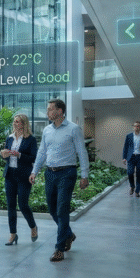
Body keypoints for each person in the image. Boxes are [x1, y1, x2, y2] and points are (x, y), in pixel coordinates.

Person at [31, 99, 90, 262]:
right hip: (50, 173)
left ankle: (59, 248)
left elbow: (82, 152)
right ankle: (68, 234)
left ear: (60, 111)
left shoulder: (73, 129)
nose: (47, 112)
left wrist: (84, 175)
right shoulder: (47, 130)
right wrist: (34, 171)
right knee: (52, 209)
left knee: (62, 209)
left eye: (50, 109)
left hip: (67, 173)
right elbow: (42, 152)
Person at [0, 113, 38, 245]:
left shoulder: (30, 139)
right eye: (15, 122)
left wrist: (19, 154)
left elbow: (33, 158)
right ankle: (13, 234)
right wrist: (3, 154)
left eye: (18, 122)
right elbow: (6, 156)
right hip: (10, 175)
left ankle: (33, 227)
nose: (16, 124)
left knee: (23, 204)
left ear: (24, 124)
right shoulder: (9, 138)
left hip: (24, 176)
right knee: (10, 205)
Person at [122, 121, 140, 197]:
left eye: (138, 126)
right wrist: (124, 158)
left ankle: (137, 191)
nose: (136, 127)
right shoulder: (129, 136)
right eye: (135, 126)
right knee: (130, 172)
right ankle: (132, 186)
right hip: (131, 157)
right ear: (133, 127)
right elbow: (125, 147)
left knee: (139, 174)